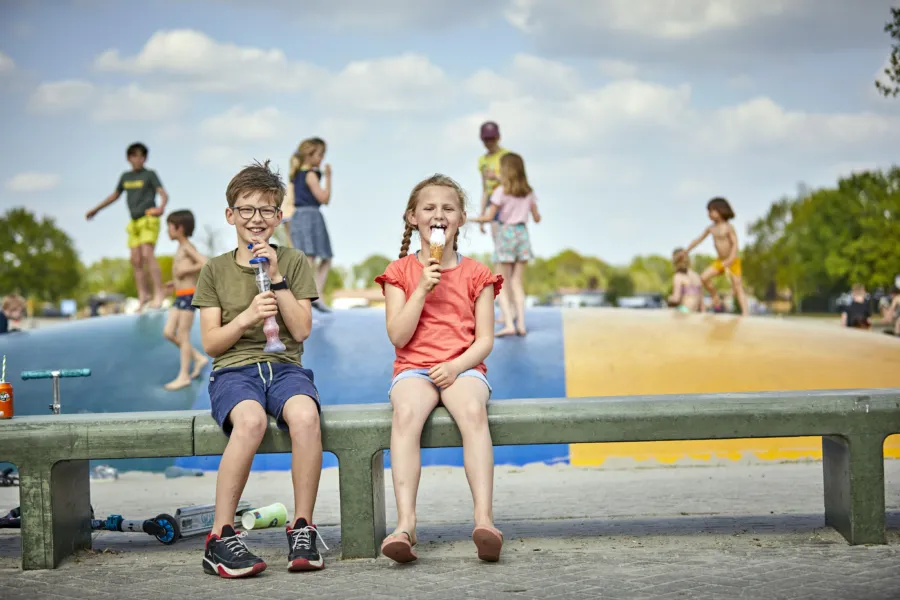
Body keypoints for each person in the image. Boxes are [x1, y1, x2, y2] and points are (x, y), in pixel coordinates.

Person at [192, 160, 326, 577]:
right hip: (235, 370)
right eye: (246, 209)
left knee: (305, 416)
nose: (256, 218)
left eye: (266, 210)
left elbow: (301, 330)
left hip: (285, 367)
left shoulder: (293, 260)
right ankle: (221, 536)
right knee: (249, 422)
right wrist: (248, 316)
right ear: (230, 214)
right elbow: (212, 343)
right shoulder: (214, 269)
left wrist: (279, 277)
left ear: (279, 217)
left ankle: (302, 527)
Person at [374, 174, 504, 564]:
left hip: (463, 366)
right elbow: (398, 336)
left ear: (461, 218)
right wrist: (421, 290)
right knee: (407, 414)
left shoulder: (478, 274)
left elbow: (484, 340)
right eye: (429, 208)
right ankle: (406, 524)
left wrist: (456, 365)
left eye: (448, 208)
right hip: (414, 367)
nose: (438, 214)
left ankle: (484, 520)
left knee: (471, 411)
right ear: (413, 218)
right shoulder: (399, 272)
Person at [85, 142, 168, 310]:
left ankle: (158, 293)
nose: (138, 159)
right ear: (129, 158)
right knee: (135, 259)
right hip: (134, 221)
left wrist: (161, 207)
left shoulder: (150, 175)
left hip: (148, 218)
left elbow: (163, 194)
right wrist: (96, 210)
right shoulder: (125, 177)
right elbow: (114, 196)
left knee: (147, 254)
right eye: (135, 156)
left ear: (145, 158)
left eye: (141, 156)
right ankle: (142, 295)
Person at [472, 152, 541, 336]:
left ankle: (509, 324)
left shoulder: (500, 192)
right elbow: (536, 218)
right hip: (522, 234)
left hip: (505, 234)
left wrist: (471, 219)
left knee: (501, 282)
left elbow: (488, 217)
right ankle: (522, 325)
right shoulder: (529, 192)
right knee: (517, 282)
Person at [161, 210, 209, 390]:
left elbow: (204, 263)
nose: (167, 231)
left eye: (170, 227)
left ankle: (183, 376)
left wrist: (185, 272)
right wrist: (174, 282)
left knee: (183, 334)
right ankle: (198, 357)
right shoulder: (180, 248)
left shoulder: (188, 246)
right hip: (180, 295)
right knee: (168, 332)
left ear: (179, 228)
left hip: (189, 294)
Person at [476, 121, 515, 330]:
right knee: (500, 257)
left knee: (508, 262)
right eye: (485, 139)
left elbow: (515, 183)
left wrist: (497, 177)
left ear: (498, 137)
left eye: (492, 138)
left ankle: (513, 309)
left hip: (507, 205)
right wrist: (482, 215)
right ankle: (506, 310)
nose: (489, 142)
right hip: (493, 205)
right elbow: (484, 188)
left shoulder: (507, 157)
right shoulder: (482, 160)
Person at [683, 197, 749, 316]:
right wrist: (687, 250)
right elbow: (698, 240)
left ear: (720, 210)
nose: (709, 214)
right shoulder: (711, 228)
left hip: (732, 260)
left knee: (737, 286)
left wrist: (730, 259)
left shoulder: (728, 227)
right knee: (703, 278)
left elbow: (735, 244)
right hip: (720, 261)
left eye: (711, 211)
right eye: (708, 212)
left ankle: (745, 313)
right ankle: (715, 297)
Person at [288, 138, 333, 313]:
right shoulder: (311, 175)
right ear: (310, 154)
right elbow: (324, 198)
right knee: (317, 257)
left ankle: (310, 296)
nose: (322, 158)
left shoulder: (296, 174)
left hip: (298, 216)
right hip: (310, 215)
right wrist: (329, 178)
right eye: (320, 154)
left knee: (310, 258)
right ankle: (311, 295)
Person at [667, 249, 703, 313]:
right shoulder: (697, 276)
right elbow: (701, 302)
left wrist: (669, 299)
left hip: (684, 311)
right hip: (695, 312)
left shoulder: (678, 276)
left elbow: (676, 299)